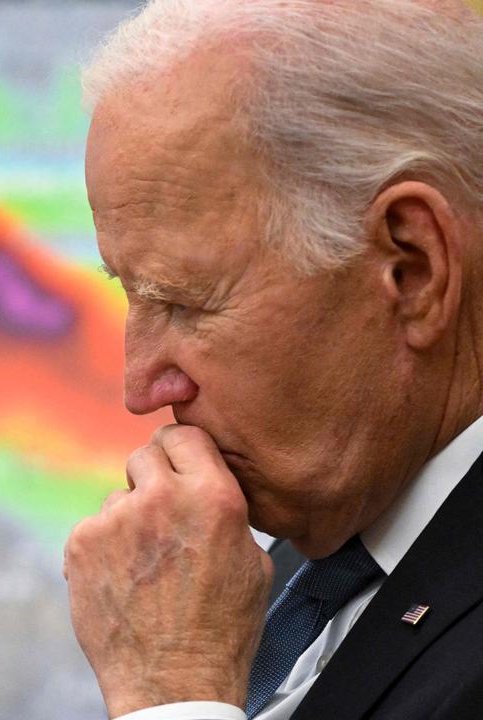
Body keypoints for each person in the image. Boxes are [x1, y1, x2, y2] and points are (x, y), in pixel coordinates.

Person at [63, 1, 483, 718]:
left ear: (412, 270)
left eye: (186, 303)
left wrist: (175, 694)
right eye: (129, 293)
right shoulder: (267, 569)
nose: (141, 387)